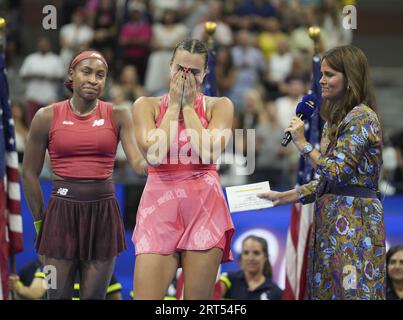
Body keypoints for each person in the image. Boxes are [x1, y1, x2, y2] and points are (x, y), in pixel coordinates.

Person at [258, 45, 386, 300]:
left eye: (329, 74)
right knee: (326, 292)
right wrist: (286, 197)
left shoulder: (362, 117)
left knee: (353, 292)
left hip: (356, 223)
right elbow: (326, 180)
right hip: (329, 220)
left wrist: (304, 144)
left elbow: (337, 172)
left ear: (350, 78)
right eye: (322, 74)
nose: (322, 80)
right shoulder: (333, 122)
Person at [21, 50, 146, 300]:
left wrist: (172, 158)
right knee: (57, 296)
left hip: (103, 215)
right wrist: (40, 222)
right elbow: (29, 174)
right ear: (72, 74)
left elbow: (138, 164)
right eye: (86, 72)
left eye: (100, 75)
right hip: (60, 216)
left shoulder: (119, 114)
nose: (93, 79)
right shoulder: (45, 116)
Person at [131, 38, 235, 300]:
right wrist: (173, 107)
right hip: (159, 206)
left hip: (204, 207)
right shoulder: (145, 105)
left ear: (205, 74)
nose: (185, 77)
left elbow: (209, 151)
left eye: (194, 72)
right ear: (169, 67)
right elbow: (154, 155)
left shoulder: (220, 105)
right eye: (180, 69)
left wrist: (188, 107)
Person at [8, 258, 123, 300]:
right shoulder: (51, 268)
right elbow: (36, 292)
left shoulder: (100, 270)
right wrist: (17, 287)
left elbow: (115, 297)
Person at [219, 235, 283, 300]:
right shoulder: (228, 279)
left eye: (256, 253)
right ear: (241, 256)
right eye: (246, 253)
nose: (251, 258)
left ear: (265, 257)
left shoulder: (276, 293)